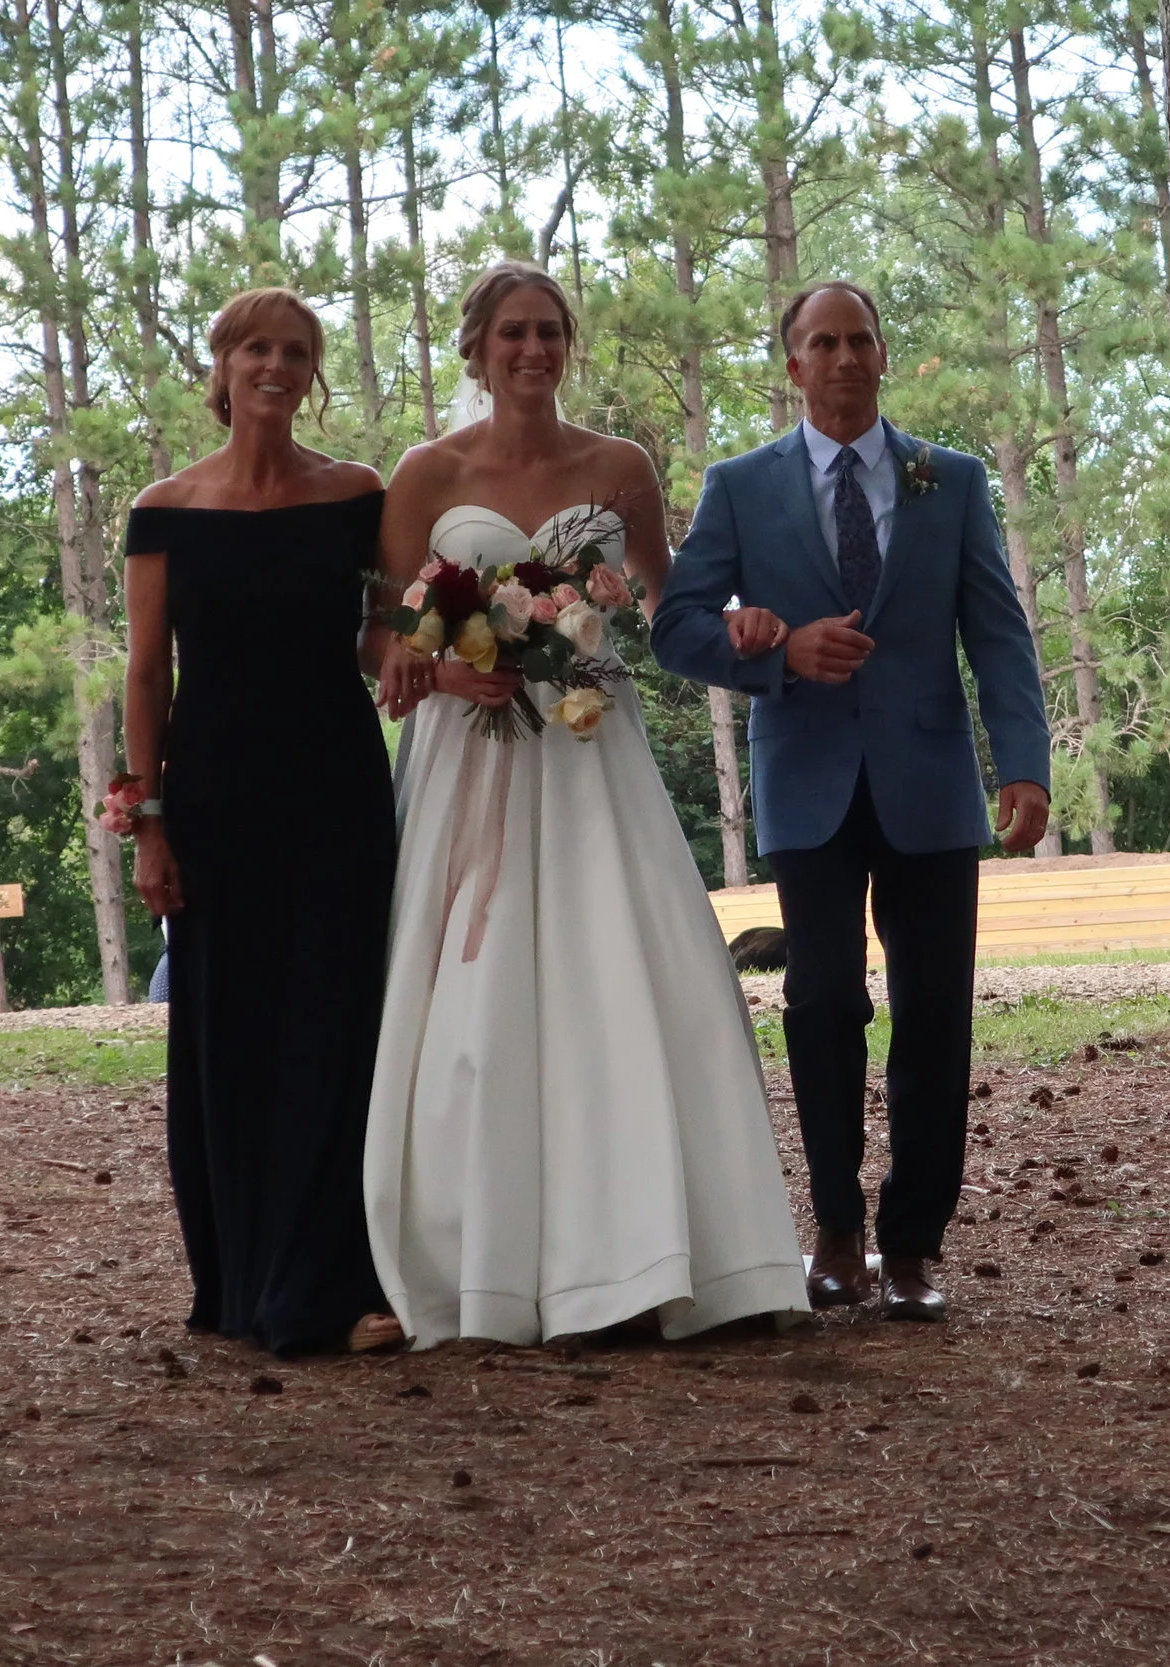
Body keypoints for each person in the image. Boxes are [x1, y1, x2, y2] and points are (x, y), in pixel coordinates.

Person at [364, 261, 809, 1348]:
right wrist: (439, 662)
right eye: (512, 331)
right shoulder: (425, 473)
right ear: (474, 348)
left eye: (550, 330)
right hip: (466, 759)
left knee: (626, 980)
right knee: (473, 998)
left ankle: (654, 1246)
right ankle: (484, 1264)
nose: (533, 350)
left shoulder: (620, 466)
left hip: (588, 750)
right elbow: (379, 631)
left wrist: (750, 625)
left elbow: (672, 604)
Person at [652, 280, 1051, 1322]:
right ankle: (833, 1226)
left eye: (858, 339)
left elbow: (997, 631)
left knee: (934, 1018)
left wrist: (1024, 761)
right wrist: (776, 648)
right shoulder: (739, 486)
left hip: (929, 789)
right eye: (820, 342)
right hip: (808, 785)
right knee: (822, 1004)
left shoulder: (948, 479)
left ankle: (913, 1241)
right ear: (791, 365)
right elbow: (678, 627)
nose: (841, 357)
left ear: (884, 355)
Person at [121, 287, 403, 1355]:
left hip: (335, 788)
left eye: (294, 351)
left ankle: (338, 1282)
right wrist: (149, 820)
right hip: (216, 798)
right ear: (222, 365)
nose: (274, 366)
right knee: (230, 1028)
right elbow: (147, 676)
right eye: (255, 348)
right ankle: (242, 1278)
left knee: (340, 1025)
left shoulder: (355, 495)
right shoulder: (164, 509)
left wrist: (432, 658)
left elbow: (381, 635)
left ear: (312, 371)